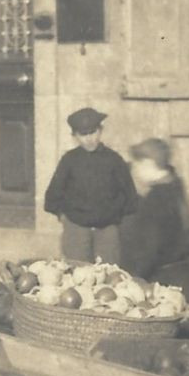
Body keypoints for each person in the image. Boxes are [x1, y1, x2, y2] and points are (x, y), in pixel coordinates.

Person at [42, 107, 138, 263]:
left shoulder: (114, 160)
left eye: (93, 132)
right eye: (83, 134)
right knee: (77, 271)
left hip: (107, 230)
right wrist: (65, 218)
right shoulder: (69, 160)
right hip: (76, 229)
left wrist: (114, 219)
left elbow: (130, 197)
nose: (89, 139)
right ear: (75, 136)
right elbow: (53, 195)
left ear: (101, 130)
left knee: (108, 274)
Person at [120, 137, 189, 281]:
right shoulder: (175, 186)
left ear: (148, 163)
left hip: (159, 279)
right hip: (179, 273)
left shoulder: (157, 199)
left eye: (137, 165)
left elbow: (149, 249)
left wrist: (134, 278)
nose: (135, 171)